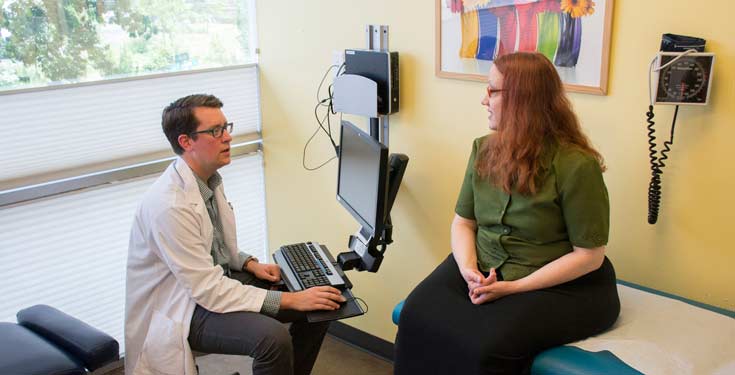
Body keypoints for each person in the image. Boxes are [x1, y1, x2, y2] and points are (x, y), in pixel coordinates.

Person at [394, 52, 621, 374]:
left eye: (492, 91)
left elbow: (589, 256)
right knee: (415, 315)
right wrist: (468, 268)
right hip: (484, 266)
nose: (483, 100)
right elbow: (464, 222)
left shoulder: (576, 165)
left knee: (485, 345)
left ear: (522, 100)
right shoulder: (483, 149)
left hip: (560, 284)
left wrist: (513, 288)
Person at [125, 94, 345, 375]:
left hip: (208, 283)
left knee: (324, 302)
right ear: (186, 142)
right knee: (272, 339)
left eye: (226, 126)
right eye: (215, 131)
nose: (227, 137)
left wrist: (249, 263)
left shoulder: (207, 180)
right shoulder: (169, 206)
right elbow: (207, 289)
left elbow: (210, 246)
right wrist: (292, 299)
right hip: (182, 306)